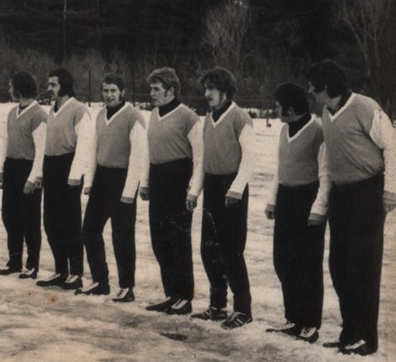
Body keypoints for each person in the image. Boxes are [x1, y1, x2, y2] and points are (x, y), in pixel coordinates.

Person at [306, 60, 395, 355]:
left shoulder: (364, 106)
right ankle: (350, 332)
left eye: (313, 86)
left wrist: (390, 189)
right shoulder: (325, 113)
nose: (310, 91)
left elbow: (392, 145)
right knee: (339, 266)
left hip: (368, 191)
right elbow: (330, 159)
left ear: (327, 87)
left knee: (363, 267)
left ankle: (366, 338)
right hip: (342, 195)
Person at [264, 82, 329, 344]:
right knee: (283, 261)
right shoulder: (283, 130)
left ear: (291, 107)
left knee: (308, 265)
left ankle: (310, 323)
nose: (276, 110)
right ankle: (293, 318)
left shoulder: (317, 132)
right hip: (287, 199)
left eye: (278, 106)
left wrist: (318, 208)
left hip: (308, 200)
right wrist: (273, 200)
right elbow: (280, 167)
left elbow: (326, 173)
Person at [190, 67, 254, 329]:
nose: (206, 94)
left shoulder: (240, 117)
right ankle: (217, 305)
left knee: (231, 251)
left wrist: (236, 189)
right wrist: (194, 191)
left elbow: (249, 158)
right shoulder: (208, 118)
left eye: (211, 89)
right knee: (209, 250)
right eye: (205, 89)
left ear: (225, 91)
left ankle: (243, 309)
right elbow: (203, 159)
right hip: (213, 187)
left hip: (232, 190)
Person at [77, 74, 147, 302]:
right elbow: (93, 150)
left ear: (123, 92)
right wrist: (89, 182)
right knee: (89, 230)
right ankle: (100, 281)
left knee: (122, 236)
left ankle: (127, 287)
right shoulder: (99, 115)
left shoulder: (133, 117)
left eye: (113, 91)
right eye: (105, 90)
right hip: (102, 179)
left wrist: (129, 192)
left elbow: (138, 156)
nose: (109, 95)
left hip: (123, 179)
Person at [140, 68, 202, 315]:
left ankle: (185, 298)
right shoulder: (154, 114)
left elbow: (200, 156)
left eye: (156, 89)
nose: (152, 93)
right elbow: (149, 152)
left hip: (179, 179)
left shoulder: (188, 116)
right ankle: (171, 294)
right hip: (158, 179)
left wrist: (193, 189)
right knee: (160, 240)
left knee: (178, 241)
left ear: (171, 90)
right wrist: (145, 183)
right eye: (151, 88)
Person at [35, 68, 93, 290]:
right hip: (51, 167)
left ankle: (76, 273)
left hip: (68, 169)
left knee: (70, 223)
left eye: (53, 85)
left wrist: (75, 175)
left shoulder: (79, 110)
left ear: (65, 85)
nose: (49, 89)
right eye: (49, 84)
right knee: (51, 222)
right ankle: (61, 271)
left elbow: (84, 145)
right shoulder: (52, 110)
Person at [0, 71, 47, 279]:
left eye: (11, 86)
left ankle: (32, 265)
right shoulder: (11, 113)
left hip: (28, 169)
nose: (9, 90)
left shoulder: (38, 115)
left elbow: (41, 150)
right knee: (10, 216)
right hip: (12, 168)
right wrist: (0, 169)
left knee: (29, 220)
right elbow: (4, 143)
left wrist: (33, 178)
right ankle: (14, 261)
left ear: (20, 88)